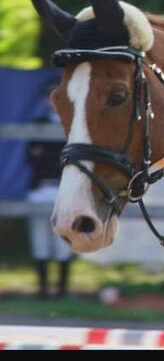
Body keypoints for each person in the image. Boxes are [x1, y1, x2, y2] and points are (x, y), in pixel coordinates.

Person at [26, 93, 74, 299]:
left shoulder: (72, 124)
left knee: (64, 239)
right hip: (40, 187)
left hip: (64, 188)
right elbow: (30, 155)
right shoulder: (38, 123)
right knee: (40, 238)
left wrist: (46, 154)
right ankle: (43, 288)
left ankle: (62, 289)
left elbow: (65, 157)